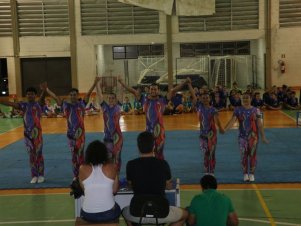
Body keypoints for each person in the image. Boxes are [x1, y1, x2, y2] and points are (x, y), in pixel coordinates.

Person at [122, 131, 188, 226]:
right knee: (185, 214)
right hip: (161, 211)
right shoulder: (163, 164)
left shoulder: (131, 165)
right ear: (153, 147)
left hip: (137, 211)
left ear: (138, 147)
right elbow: (169, 187)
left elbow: (130, 184)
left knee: (124, 211)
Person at [118, 77, 189, 159]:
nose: (153, 91)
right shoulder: (144, 100)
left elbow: (173, 91)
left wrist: (185, 82)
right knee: (148, 154)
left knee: (159, 154)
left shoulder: (163, 100)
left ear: (158, 90)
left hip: (160, 133)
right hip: (148, 133)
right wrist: (122, 83)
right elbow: (132, 91)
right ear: (149, 90)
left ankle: (160, 169)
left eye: (155, 89)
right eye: (152, 89)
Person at [46, 78, 98, 179]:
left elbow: (88, 94)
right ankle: (76, 175)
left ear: (77, 95)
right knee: (74, 156)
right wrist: (47, 89)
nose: (73, 96)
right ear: (69, 96)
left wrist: (95, 83)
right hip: (70, 135)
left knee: (81, 155)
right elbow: (56, 98)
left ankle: (83, 174)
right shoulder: (65, 105)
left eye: (75, 94)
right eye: (71, 95)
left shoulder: (81, 104)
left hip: (81, 135)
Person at [0, 84, 47, 183]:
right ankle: (34, 175)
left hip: (37, 135)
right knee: (31, 155)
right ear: (26, 95)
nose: (30, 96)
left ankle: (41, 175)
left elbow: (42, 98)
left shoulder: (38, 104)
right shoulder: (23, 105)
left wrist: (44, 91)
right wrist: (2, 101)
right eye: (28, 94)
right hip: (27, 136)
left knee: (38, 154)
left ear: (35, 95)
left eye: (32, 94)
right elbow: (10, 104)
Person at [224, 92, 269, 182]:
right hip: (242, 137)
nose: (245, 100)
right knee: (244, 155)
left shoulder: (256, 110)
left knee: (252, 155)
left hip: (253, 137)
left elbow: (259, 124)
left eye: (247, 98)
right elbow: (232, 121)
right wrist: (225, 129)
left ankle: (252, 174)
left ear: (251, 99)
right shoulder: (237, 110)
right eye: (243, 98)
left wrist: (263, 136)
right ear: (241, 99)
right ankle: (245, 174)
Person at [79, 140, 121, 223]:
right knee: (118, 209)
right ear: (104, 154)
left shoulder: (82, 168)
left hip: (87, 214)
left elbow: (84, 190)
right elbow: (115, 190)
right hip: (109, 213)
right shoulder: (112, 167)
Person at [189, 82, 224, 175]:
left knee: (212, 152)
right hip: (202, 135)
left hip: (212, 134)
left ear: (210, 99)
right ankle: (206, 167)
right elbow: (193, 94)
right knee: (206, 153)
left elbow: (217, 120)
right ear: (200, 99)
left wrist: (221, 128)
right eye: (203, 98)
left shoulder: (213, 110)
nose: (205, 99)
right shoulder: (199, 107)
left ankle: (211, 170)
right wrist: (189, 85)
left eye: (207, 98)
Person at [96, 78, 123, 172]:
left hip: (117, 138)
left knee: (117, 158)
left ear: (116, 99)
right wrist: (97, 84)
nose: (111, 99)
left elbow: (120, 93)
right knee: (108, 158)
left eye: (113, 98)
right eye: (109, 98)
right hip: (107, 137)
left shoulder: (118, 107)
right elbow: (100, 95)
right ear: (107, 99)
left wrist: (120, 83)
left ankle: (117, 175)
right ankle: (110, 175)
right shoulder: (104, 108)